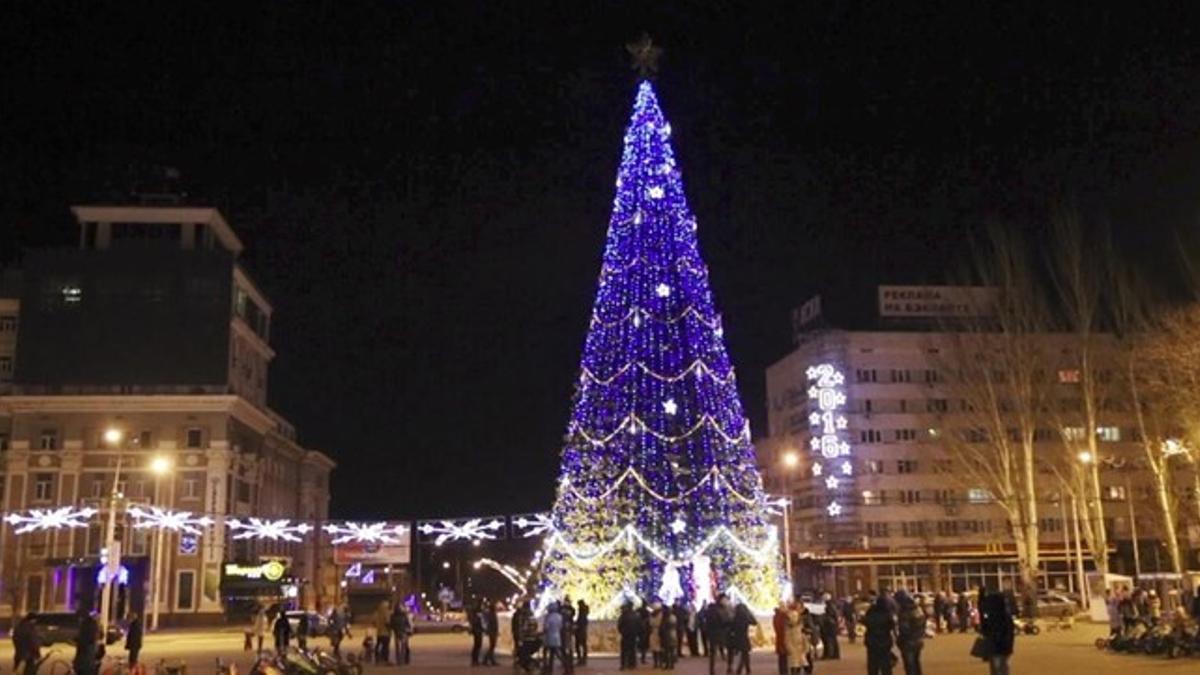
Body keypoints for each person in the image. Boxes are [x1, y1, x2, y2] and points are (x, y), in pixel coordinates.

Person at [978, 591, 1014, 675]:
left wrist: (980, 601)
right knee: (1003, 668)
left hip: (995, 646)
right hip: (1003, 647)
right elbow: (1010, 632)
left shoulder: (992, 617)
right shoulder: (1005, 616)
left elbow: (984, 627)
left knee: (996, 669)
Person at [863, 595, 895, 675]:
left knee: (872, 664)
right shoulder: (887, 613)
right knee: (886, 665)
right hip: (885, 641)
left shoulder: (871, 612)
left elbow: (865, 622)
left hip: (872, 641)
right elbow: (891, 625)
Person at [895, 592, 924, 675]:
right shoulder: (918, 609)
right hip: (918, 640)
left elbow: (904, 629)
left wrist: (900, 640)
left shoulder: (905, 612)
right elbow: (923, 624)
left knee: (909, 665)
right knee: (916, 663)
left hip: (908, 642)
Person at [707, 595, 733, 675]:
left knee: (713, 653)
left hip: (714, 633)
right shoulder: (721, 610)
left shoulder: (712, 609)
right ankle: (729, 667)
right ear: (721, 600)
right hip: (722, 633)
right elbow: (725, 620)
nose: (727, 601)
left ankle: (712, 670)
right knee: (728, 650)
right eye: (725, 599)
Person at [785, 603, 813, 675]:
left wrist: (806, 646)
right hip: (794, 648)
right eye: (792, 616)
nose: (793, 618)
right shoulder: (789, 628)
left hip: (801, 648)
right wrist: (790, 648)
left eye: (795, 616)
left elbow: (804, 636)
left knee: (804, 662)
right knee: (795, 664)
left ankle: (807, 672)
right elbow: (787, 639)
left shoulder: (800, 625)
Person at [729, 602, 757, 675]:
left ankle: (747, 669)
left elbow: (731, 628)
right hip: (744, 637)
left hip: (737, 638)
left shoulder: (735, 618)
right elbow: (754, 622)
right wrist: (749, 613)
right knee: (745, 654)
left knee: (745, 654)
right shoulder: (746, 617)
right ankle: (741, 669)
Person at [73, 607, 100, 675]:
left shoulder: (85, 626)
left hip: (85, 660)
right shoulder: (93, 623)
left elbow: (83, 642)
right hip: (90, 658)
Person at [543, 602, 564, 674]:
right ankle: (551, 667)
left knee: (548, 651)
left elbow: (546, 627)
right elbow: (561, 627)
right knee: (555, 652)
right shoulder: (560, 617)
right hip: (557, 637)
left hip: (549, 637)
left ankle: (547, 666)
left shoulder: (548, 617)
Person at [618, 602, 639, 671]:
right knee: (632, 650)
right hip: (633, 635)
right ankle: (632, 664)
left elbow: (619, 625)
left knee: (624, 651)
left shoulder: (624, 615)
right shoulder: (636, 615)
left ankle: (623, 665)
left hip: (625, 635)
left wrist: (622, 632)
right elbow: (639, 625)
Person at [661, 605, 678, 670]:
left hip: (667, 634)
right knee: (672, 650)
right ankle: (672, 665)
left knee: (667, 650)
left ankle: (667, 664)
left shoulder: (665, 618)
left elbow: (663, 627)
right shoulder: (673, 617)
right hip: (673, 633)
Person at [773, 603, 789, 675]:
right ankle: (784, 671)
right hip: (783, 639)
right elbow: (783, 628)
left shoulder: (777, 616)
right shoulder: (782, 617)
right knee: (783, 657)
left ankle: (782, 671)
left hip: (780, 639)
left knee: (782, 657)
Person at [483, 600, 499, 666]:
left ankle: (490, 660)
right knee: (492, 646)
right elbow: (493, 624)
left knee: (492, 646)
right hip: (492, 632)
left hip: (492, 632)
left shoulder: (491, 614)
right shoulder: (492, 615)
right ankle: (486, 659)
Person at [574, 599, 590, 666]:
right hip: (583, 631)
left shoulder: (581, 614)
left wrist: (576, 626)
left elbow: (580, 623)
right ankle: (583, 659)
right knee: (583, 645)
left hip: (580, 632)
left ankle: (581, 659)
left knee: (578, 646)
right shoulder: (584, 613)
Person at [469, 599, 484, 666]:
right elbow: (476, 622)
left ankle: (475, 660)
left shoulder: (476, 612)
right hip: (477, 631)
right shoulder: (476, 612)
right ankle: (474, 660)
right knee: (477, 645)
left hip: (477, 630)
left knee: (477, 645)